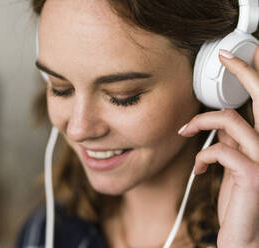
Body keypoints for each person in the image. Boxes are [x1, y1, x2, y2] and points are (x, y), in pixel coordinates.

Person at [16, 0, 259, 247]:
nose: (79, 130)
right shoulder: (45, 232)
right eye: (60, 89)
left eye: (123, 96)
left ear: (217, 81)